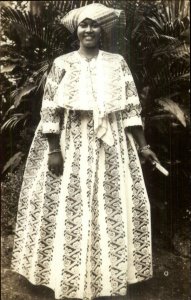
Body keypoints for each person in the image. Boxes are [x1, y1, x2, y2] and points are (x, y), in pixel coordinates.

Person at [11, 3, 159, 300]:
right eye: (84, 25)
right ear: (76, 31)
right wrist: (54, 150)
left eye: (94, 25)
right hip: (71, 143)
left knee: (111, 205)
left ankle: (109, 277)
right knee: (72, 204)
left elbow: (130, 108)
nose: (89, 30)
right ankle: (68, 278)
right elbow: (50, 109)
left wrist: (144, 147)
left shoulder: (116, 63)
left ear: (101, 31)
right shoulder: (63, 63)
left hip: (112, 145)